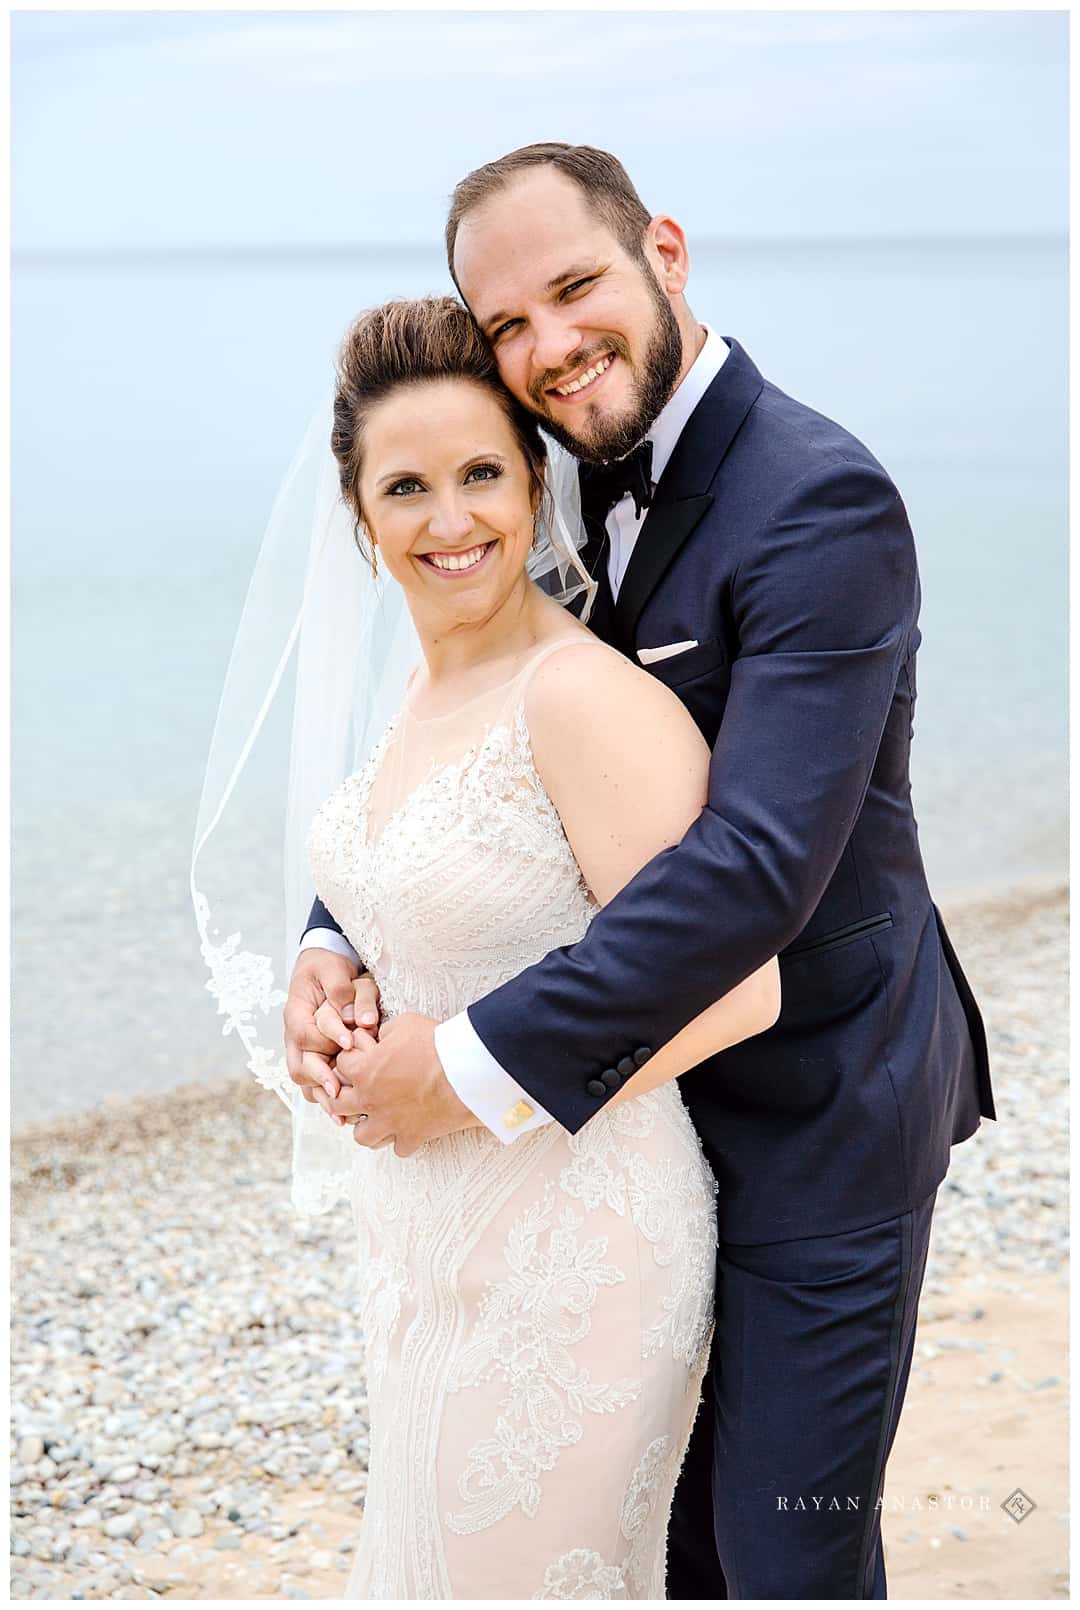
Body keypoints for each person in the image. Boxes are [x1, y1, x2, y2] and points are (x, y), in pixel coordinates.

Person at [289, 145, 995, 1600]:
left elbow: (750, 867)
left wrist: (470, 1059)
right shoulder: (557, 494)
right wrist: (339, 931)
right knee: (660, 1553)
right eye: (507, 324)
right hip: (631, 1139)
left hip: (819, 1111)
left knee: (784, 1552)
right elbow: (478, 749)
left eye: (575, 288)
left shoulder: (817, 501)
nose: (548, 346)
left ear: (663, 251)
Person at [293, 294, 780, 1598]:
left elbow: (735, 988)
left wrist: (452, 1075)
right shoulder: (415, 691)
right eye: (407, 486)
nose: (450, 521)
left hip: (577, 1252)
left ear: (533, 481)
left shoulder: (583, 700)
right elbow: (401, 885)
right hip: (421, 1237)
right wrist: (326, 963)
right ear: (359, 513)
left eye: (482, 475)